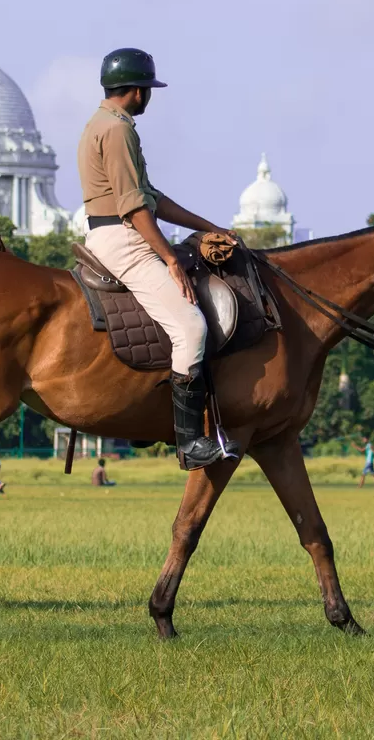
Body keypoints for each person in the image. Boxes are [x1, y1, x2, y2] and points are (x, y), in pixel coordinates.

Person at [77, 49, 240, 471]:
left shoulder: (104, 123)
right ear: (136, 91)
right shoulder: (116, 131)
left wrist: (209, 227)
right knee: (190, 325)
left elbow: (153, 198)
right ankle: (191, 443)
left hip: (113, 230)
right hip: (122, 236)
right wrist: (168, 257)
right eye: (147, 90)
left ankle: (145, 409)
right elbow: (134, 208)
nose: (148, 97)